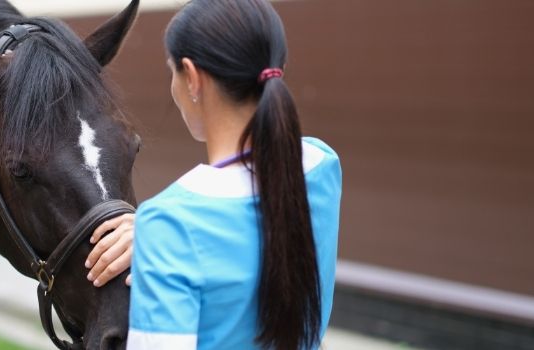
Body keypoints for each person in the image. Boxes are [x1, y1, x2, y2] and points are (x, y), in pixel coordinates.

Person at [83, 0, 342, 349]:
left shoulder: (170, 224)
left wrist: (160, 234)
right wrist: (155, 232)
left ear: (191, 78)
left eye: (171, 71)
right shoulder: (322, 166)